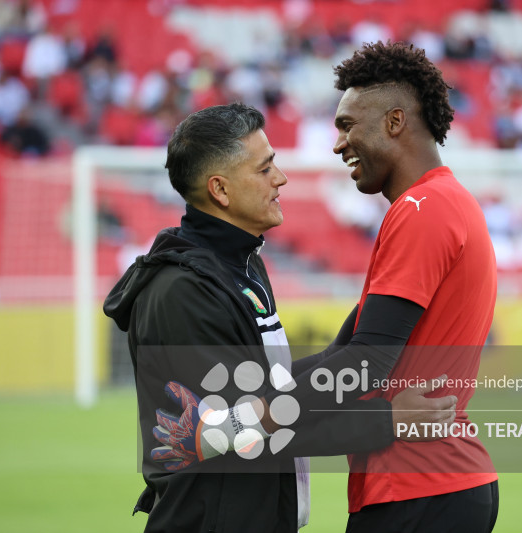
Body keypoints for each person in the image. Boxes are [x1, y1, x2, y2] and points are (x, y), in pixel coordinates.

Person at [103, 103, 456, 532]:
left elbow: (271, 393)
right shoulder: (182, 291)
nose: (281, 179)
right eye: (265, 168)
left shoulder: (243, 267)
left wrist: (365, 329)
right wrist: (383, 423)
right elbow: (234, 430)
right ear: (221, 190)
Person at [328, 41, 499, 533]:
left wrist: (252, 414)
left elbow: (365, 362)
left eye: (346, 125)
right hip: (438, 485)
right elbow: (345, 351)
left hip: (417, 487)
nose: (338, 145)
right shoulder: (448, 202)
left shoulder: (422, 210)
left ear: (395, 122)